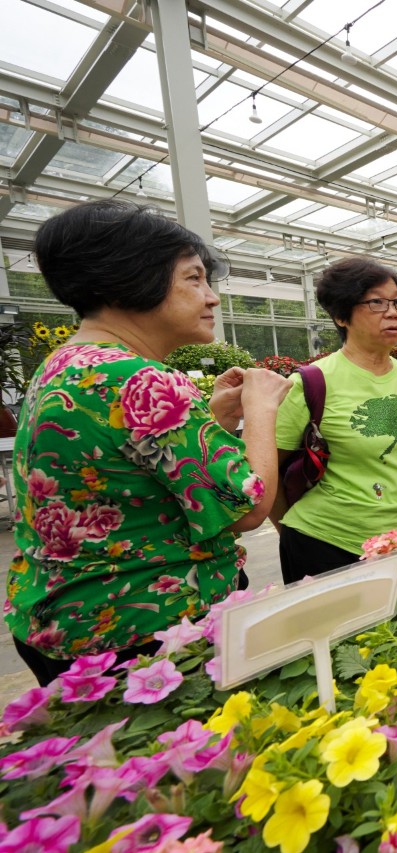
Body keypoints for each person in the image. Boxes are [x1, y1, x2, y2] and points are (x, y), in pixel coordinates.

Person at [4, 200, 292, 685]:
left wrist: (213, 418)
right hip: (142, 630)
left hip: (66, 619)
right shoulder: (144, 379)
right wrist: (262, 410)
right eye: (193, 278)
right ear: (131, 277)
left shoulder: (66, 364)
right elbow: (247, 509)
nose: (212, 298)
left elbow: (126, 469)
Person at [273, 257, 397, 582]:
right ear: (340, 315)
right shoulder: (311, 382)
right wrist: (293, 532)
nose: (393, 312)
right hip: (327, 543)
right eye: (377, 302)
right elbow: (265, 472)